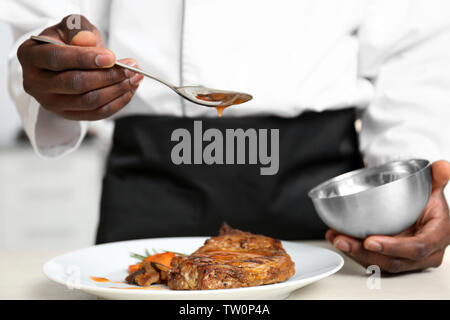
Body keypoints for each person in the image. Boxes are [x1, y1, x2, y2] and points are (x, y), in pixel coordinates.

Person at [3, 0, 450, 273]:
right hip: (154, 183)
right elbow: (47, 22)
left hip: (322, 198)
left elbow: (412, 46)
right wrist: (52, 59)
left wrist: (405, 192)